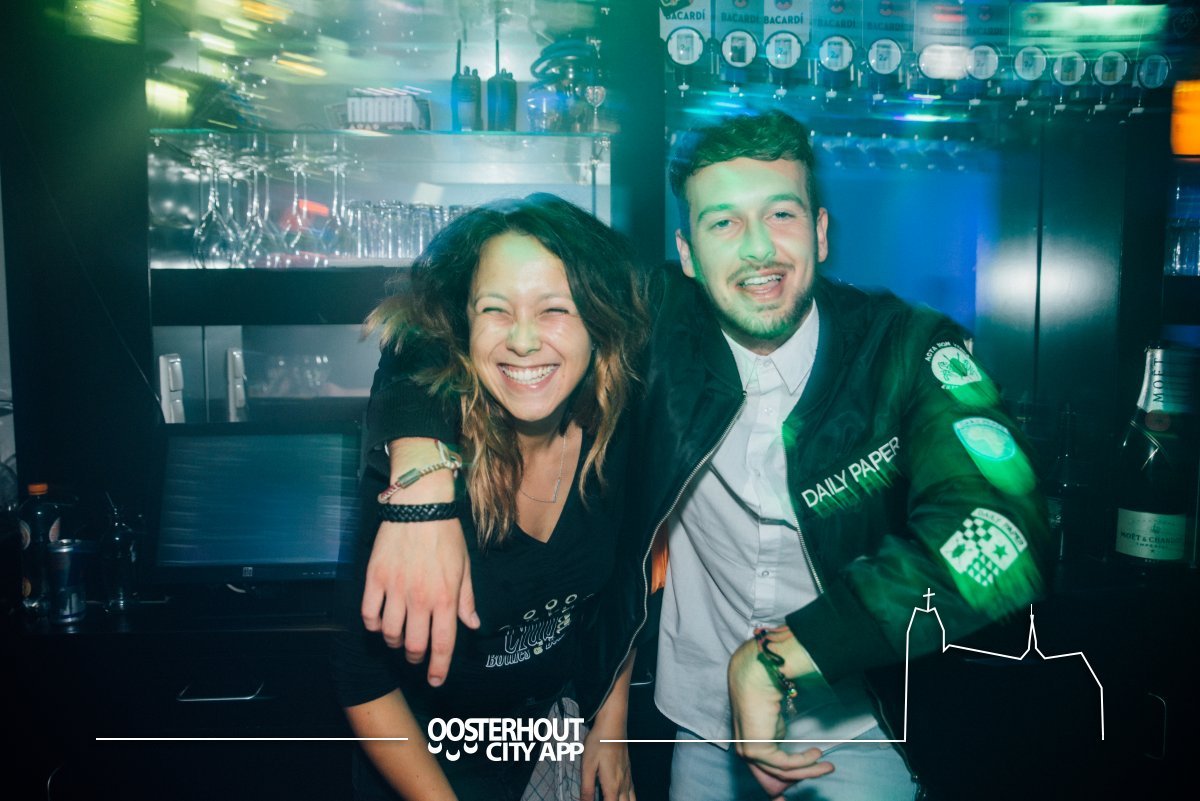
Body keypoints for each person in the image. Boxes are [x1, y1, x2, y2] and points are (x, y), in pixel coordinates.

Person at [360, 111, 1052, 800]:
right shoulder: (658, 323)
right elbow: (445, 321)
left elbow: (1006, 529)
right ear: (688, 253)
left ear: (820, 231)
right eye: (724, 223)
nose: (758, 249)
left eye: (781, 215)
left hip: (866, 726)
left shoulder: (908, 348)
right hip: (701, 726)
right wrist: (421, 490)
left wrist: (782, 656)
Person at [331, 193, 649, 801]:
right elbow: (360, 679)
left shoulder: (614, 437)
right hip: (425, 765)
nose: (523, 341)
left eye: (555, 309)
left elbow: (619, 594)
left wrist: (610, 722)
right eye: (495, 310)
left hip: (551, 741)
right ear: (464, 327)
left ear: (598, 321)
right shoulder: (414, 471)